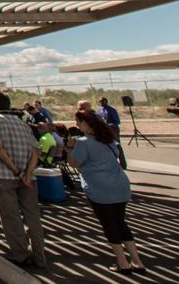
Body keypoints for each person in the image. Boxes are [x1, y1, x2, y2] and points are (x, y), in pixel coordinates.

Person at [70, 109, 145, 275]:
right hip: (119, 184)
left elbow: (74, 163)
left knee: (109, 224)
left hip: (99, 188)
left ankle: (122, 261)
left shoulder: (83, 142)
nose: (77, 125)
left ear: (85, 124)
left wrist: (70, 148)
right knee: (120, 222)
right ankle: (137, 261)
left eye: (78, 122)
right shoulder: (108, 139)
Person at [0, 90, 47, 270]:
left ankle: (20, 254)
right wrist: (27, 173)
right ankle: (40, 256)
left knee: (11, 217)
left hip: (6, 175)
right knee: (32, 216)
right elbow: (36, 151)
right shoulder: (23, 124)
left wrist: (16, 171)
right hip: (28, 178)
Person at [98, 97, 127, 169]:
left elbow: (117, 121)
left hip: (113, 129)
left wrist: (110, 124)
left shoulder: (111, 110)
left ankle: (123, 164)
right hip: (104, 129)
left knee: (117, 145)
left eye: (102, 101)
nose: (101, 103)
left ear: (106, 101)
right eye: (100, 102)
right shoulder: (99, 111)